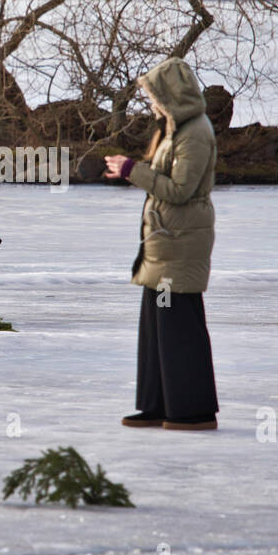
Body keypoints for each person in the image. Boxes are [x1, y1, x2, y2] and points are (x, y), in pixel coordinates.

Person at [103, 57, 219, 430]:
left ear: (172, 95)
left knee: (178, 326)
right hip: (164, 242)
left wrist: (131, 171)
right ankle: (157, 404)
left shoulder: (196, 133)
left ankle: (192, 411)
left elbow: (180, 190)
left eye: (154, 96)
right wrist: (134, 169)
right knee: (155, 326)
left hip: (181, 242)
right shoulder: (174, 128)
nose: (151, 104)